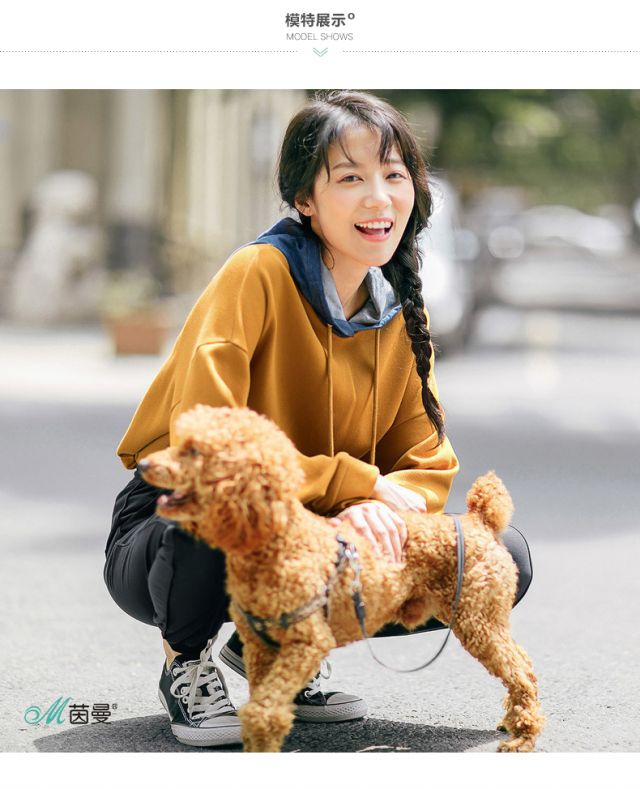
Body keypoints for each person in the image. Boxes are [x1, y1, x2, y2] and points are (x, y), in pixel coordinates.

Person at [103, 90, 532, 748]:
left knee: (497, 554)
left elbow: (426, 461)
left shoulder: (397, 307)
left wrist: (378, 507)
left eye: (394, 176)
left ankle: (279, 646)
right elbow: (207, 446)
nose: (378, 198)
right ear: (305, 198)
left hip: (313, 539)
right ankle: (186, 661)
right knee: (211, 512)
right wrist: (354, 483)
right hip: (174, 526)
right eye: (350, 178)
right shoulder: (257, 273)